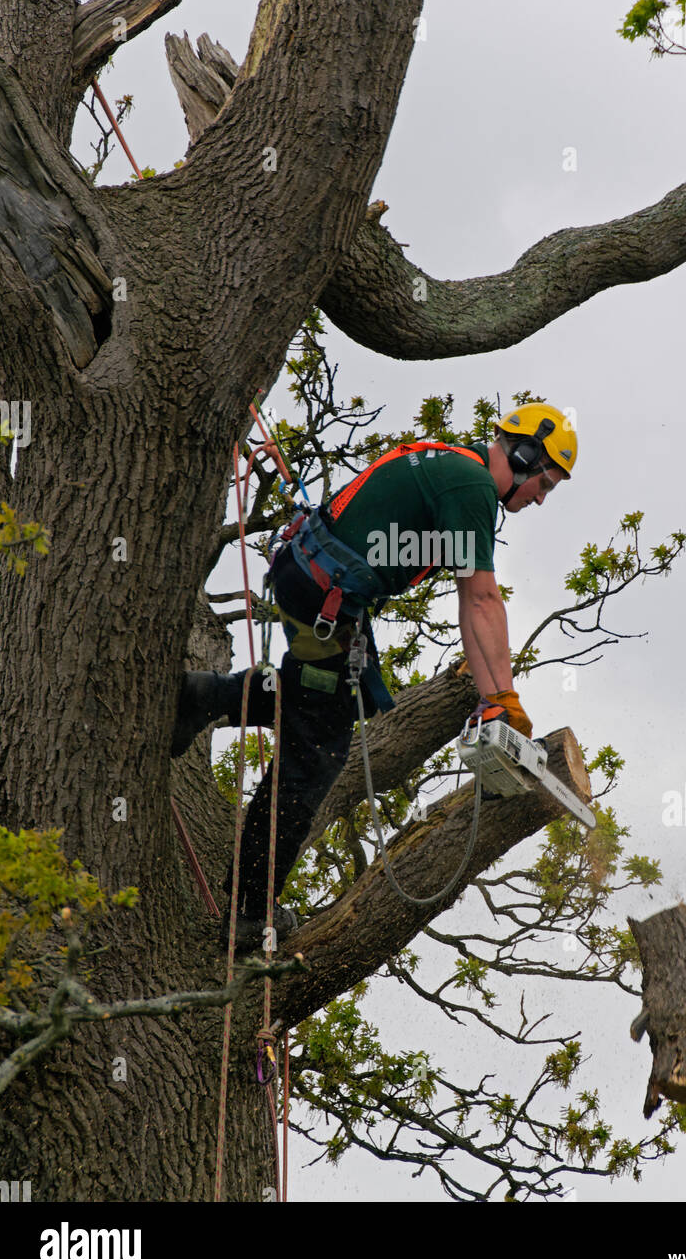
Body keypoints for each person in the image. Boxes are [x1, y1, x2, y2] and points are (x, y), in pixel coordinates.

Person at [171, 403, 578, 948]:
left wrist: (492, 700)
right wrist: (502, 696)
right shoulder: (472, 487)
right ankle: (249, 909)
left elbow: (469, 604)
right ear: (526, 456)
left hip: (316, 583)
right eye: (545, 483)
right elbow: (482, 598)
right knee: (315, 751)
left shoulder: (456, 467)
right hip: (326, 597)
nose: (541, 499)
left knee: (331, 700)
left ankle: (206, 696)